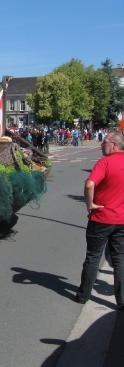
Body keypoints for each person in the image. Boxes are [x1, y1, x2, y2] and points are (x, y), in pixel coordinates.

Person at [75, 131, 124, 309]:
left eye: (105, 142)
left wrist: (90, 204)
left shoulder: (105, 162)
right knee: (120, 258)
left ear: (115, 145)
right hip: (122, 219)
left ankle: (83, 295)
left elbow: (89, 184)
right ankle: (122, 299)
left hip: (102, 217)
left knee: (93, 256)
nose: (102, 145)